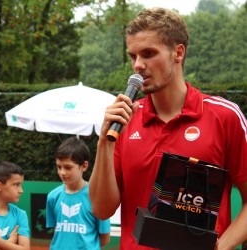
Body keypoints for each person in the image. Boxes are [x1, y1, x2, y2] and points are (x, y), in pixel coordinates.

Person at [88, 7, 247, 250]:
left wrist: (222, 246)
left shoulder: (224, 116)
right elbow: (101, 210)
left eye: (148, 53)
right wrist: (104, 142)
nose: (138, 65)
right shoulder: (125, 120)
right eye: (133, 56)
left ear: (178, 53)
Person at [46, 137, 111, 250]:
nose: (62, 172)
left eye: (68, 167)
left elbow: (105, 238)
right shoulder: (52, 196)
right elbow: (55, 231)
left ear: (84, 166)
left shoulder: (97, 196)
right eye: (59, 167)